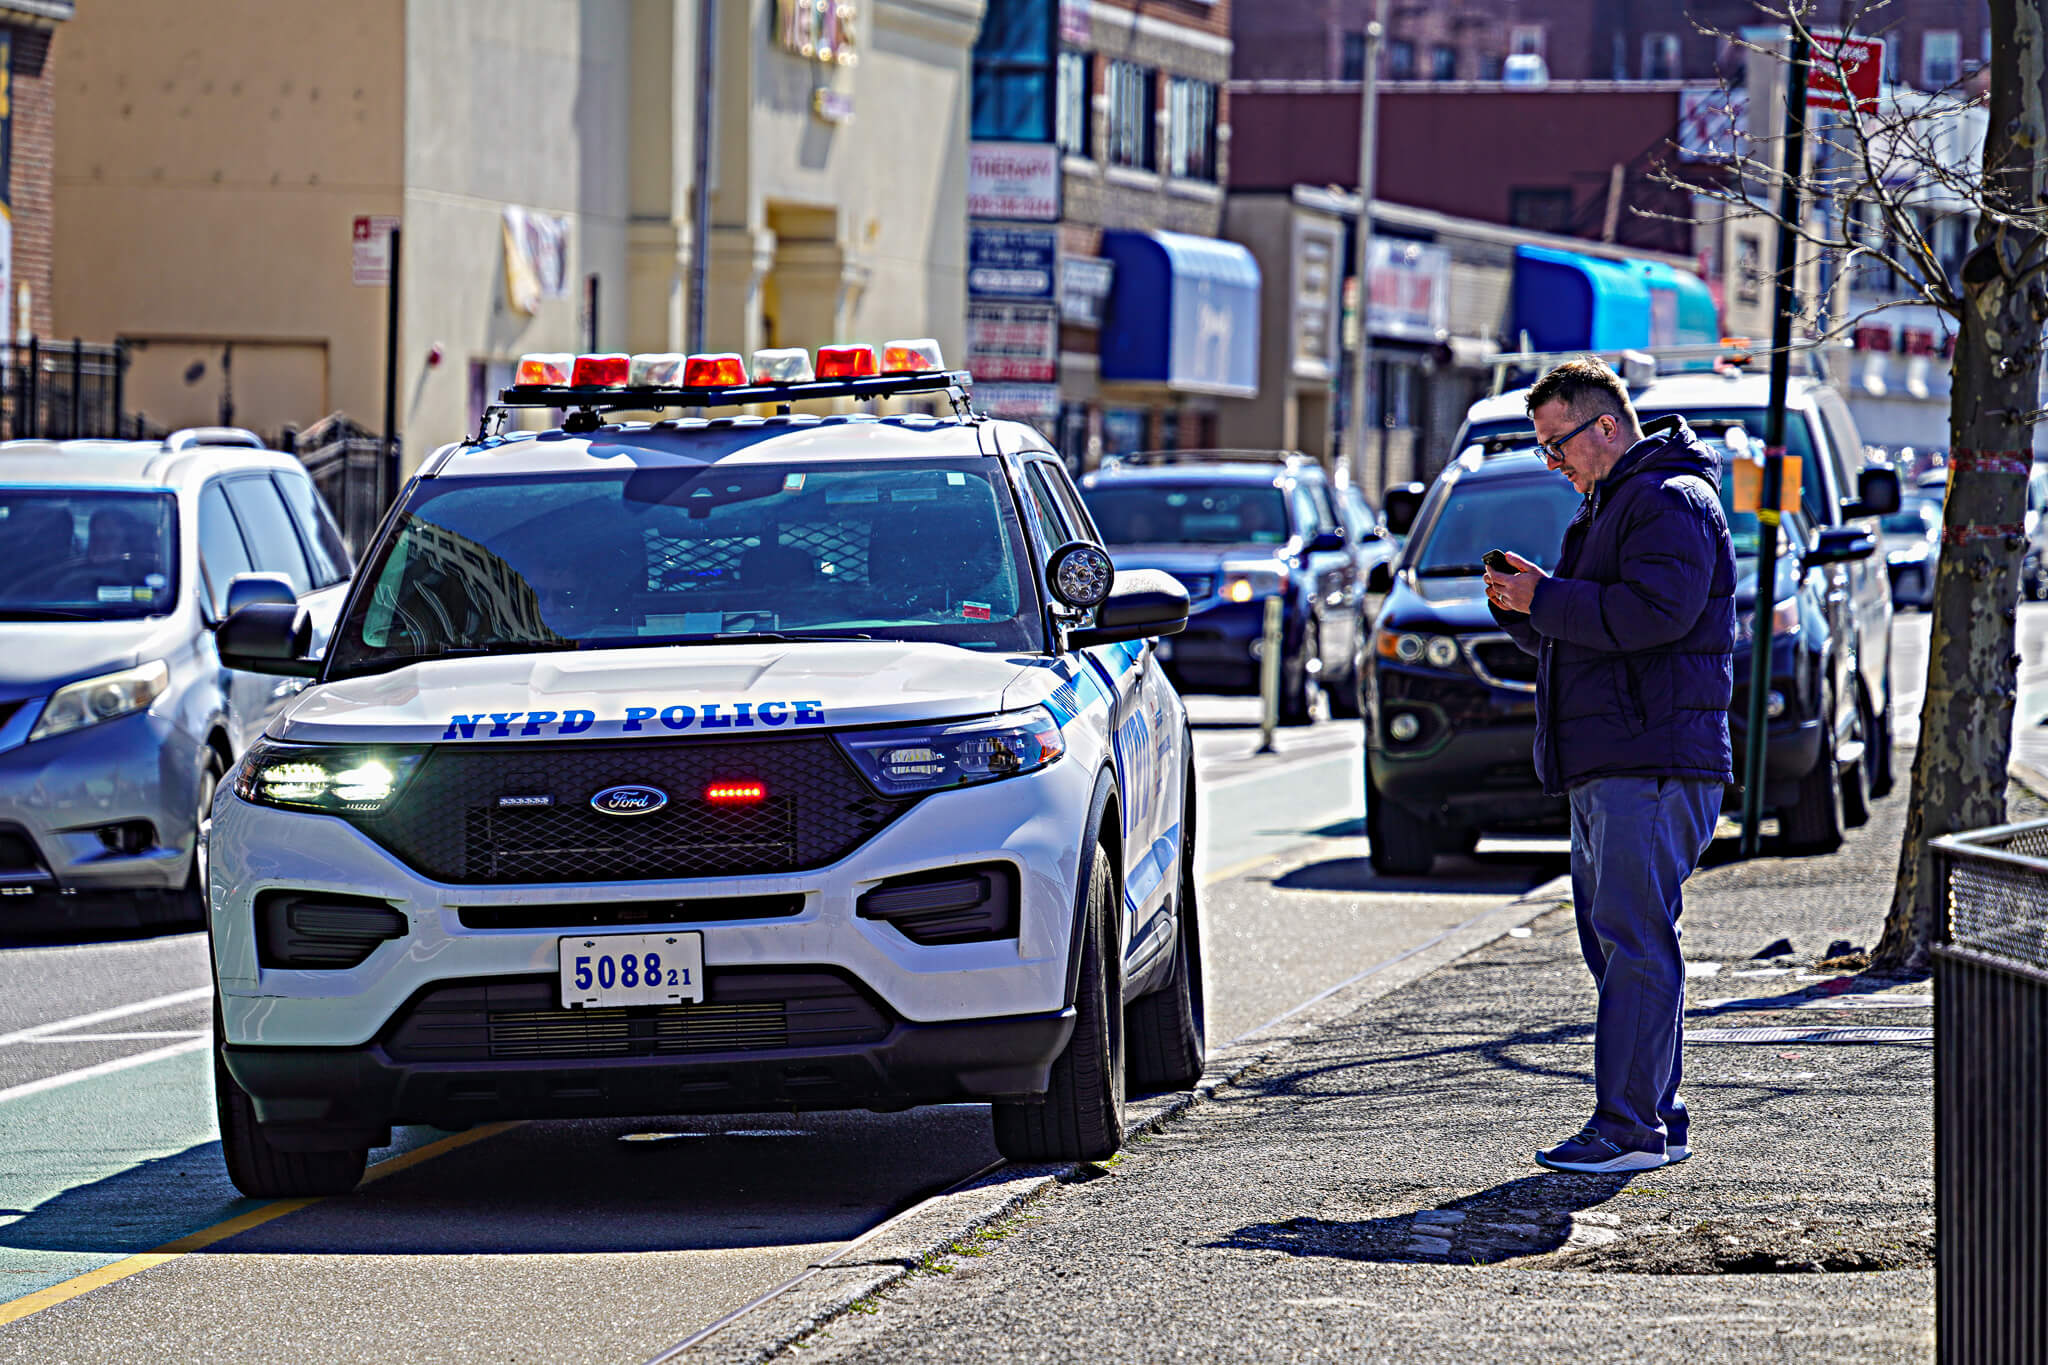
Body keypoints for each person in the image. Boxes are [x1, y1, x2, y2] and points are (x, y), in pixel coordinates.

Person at [1482, 355, 1736, 1175]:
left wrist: (1546, 602)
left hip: (1651, 759)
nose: (1553, 464)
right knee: (1624, 940)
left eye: (1557, 445)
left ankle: (1629, 1127)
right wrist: (1531, 609)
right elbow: (1597, 627)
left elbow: (1656, 615)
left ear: (1605, 426)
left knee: (1632, 940)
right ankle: (1655, 1112)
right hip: (1622, 757)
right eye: (1544, 451)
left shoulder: (1667, 499)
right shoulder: (1615, 504)